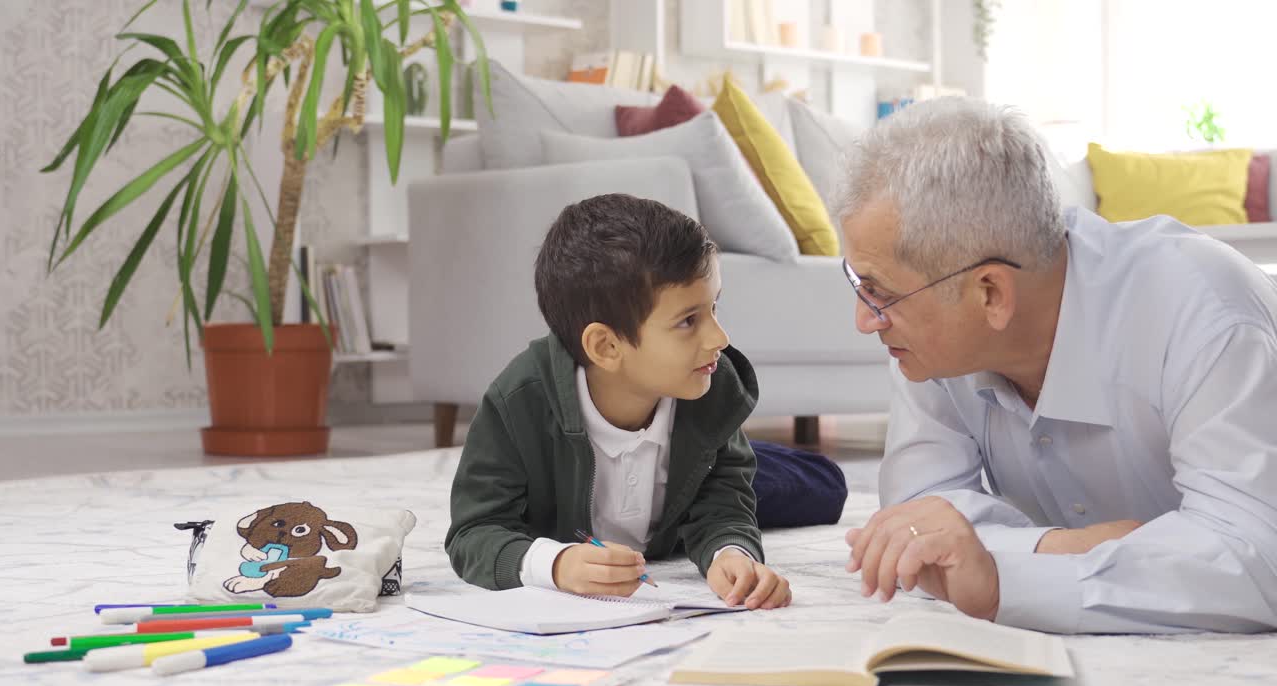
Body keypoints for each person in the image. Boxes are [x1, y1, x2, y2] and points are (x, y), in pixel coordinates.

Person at [839, 97, 1277, 633]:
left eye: (879, 292)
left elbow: (1254, 558)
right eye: (861, 284)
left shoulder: (1203, 310)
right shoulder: (930, 335)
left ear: (991, 293)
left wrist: (1005, 579)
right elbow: (915, 525)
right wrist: (1063, 546)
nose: (865, 318)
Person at [445, 193, 793, 609]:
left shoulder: (712, 386)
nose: (720, 338)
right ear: (606, 346)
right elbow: (474, 533)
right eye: (688, 320)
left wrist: (731, 553)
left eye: (714, 307)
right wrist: (555, 564)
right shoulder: (517, 403)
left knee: (818, 489)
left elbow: (724, 505)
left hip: (699, 465)